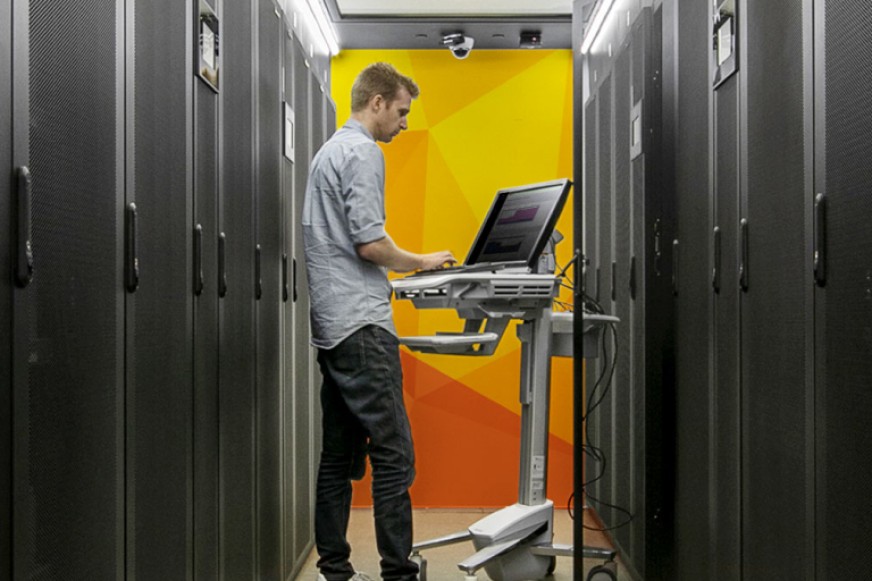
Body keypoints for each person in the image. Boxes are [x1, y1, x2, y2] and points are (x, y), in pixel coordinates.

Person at [302, 62, 456, 581]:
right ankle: (398, 574)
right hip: (363, 325)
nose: (404, 123)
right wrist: (424, 262)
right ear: (377, 103)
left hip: (332, 325)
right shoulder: (363, 152)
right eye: (402, 111)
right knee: (395, 455)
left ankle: (335, 572)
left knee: (337, 456)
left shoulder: (328, 152)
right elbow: (370, 243)